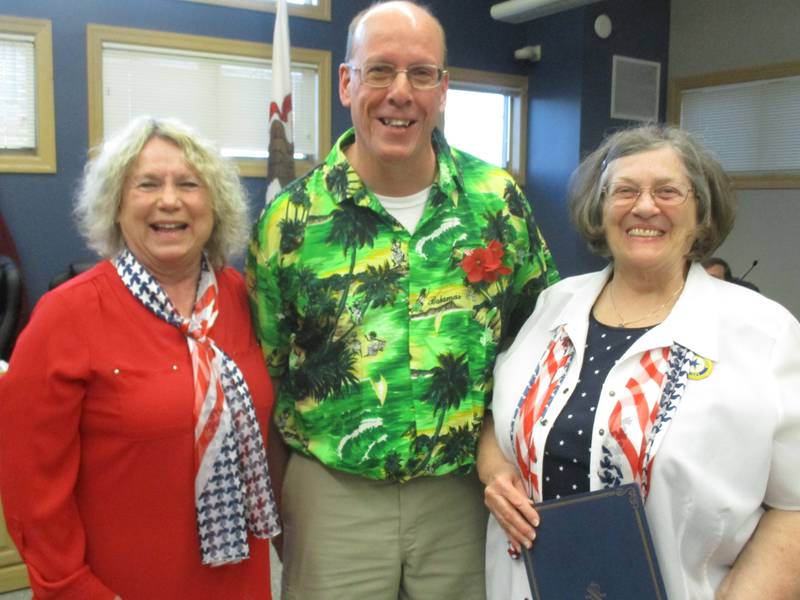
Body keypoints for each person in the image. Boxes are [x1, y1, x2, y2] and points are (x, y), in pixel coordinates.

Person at [246, 2, 558, 598]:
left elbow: (539, 339)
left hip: (466, 491)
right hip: (334, 492)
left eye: (421, 74)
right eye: (379, 71)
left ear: (444, 89)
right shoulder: (289, 220)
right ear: (346, 83)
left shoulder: (498, 202)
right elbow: (270, 369)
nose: (400, 93)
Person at [478, 124, 800, 600]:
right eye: (624, 190)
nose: (644, 206)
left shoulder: (764, 334)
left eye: (668, 191)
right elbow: (497, 420)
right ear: (600, 208)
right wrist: (494, 473)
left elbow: (793, 508)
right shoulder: (553, 307)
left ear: (701, 212)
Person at [0, 116, 280, 599]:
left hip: (239, 578)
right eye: (147, 184)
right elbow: (32, 493)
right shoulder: (65, 316)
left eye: (189, 184)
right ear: (116, 204)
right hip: (120, 585)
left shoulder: (240, 298)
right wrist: (75, 590)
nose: (169, 200)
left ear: (214, 205)